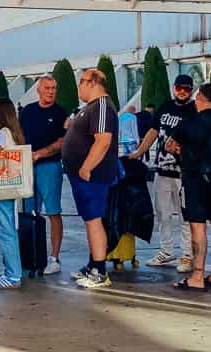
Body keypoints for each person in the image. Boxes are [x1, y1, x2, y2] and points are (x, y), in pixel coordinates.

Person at [167, 83, 211, 291]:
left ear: (198, 99)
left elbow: (170, 144)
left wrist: (179, 151)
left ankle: (197, 276)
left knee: (198, 226)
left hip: (194, 179)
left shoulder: (189, 123)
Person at [133, 75, 197, 272]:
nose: (182, 92)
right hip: (162, 170)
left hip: (183, 172)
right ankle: (166, 251)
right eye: (179, 88)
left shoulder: (195, 110)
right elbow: (153, 132)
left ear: (192, 90)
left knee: (185, 215)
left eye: (186, 89)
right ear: (174, 88)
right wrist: (139, 152)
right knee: (162, 213)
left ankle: (187, 255)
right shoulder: (164, 107)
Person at [64, 68, 120, 290]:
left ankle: (99, 271)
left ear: (92, 82)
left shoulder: (103, 106)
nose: (78, 86)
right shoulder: (91, 108)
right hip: (83, 176)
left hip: (93, 176)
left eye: (81, 82)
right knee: (90, 220)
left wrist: (87, 167)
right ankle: (92, 264)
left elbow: (103, 140)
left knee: (94, 220)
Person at [18, 76, 68, 275]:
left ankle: (54, 258)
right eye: (47, 88)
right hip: (28, 168)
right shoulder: (28, 111)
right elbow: (19, 135)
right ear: (38, 90)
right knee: (30, 213)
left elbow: (61, 142)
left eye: (54, 88)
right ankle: (31, 256)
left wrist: (40, 154)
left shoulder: (60, 113)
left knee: (53, 211)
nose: (51, 91)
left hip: (50, 167)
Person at [0, 98, 27, 290]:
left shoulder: (2, 133)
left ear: (0, 113)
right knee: (10, 230)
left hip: (1, 187)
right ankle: (11, 271)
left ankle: (12, 275)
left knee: (5, 231)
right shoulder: (16, 132)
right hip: (12, 185)